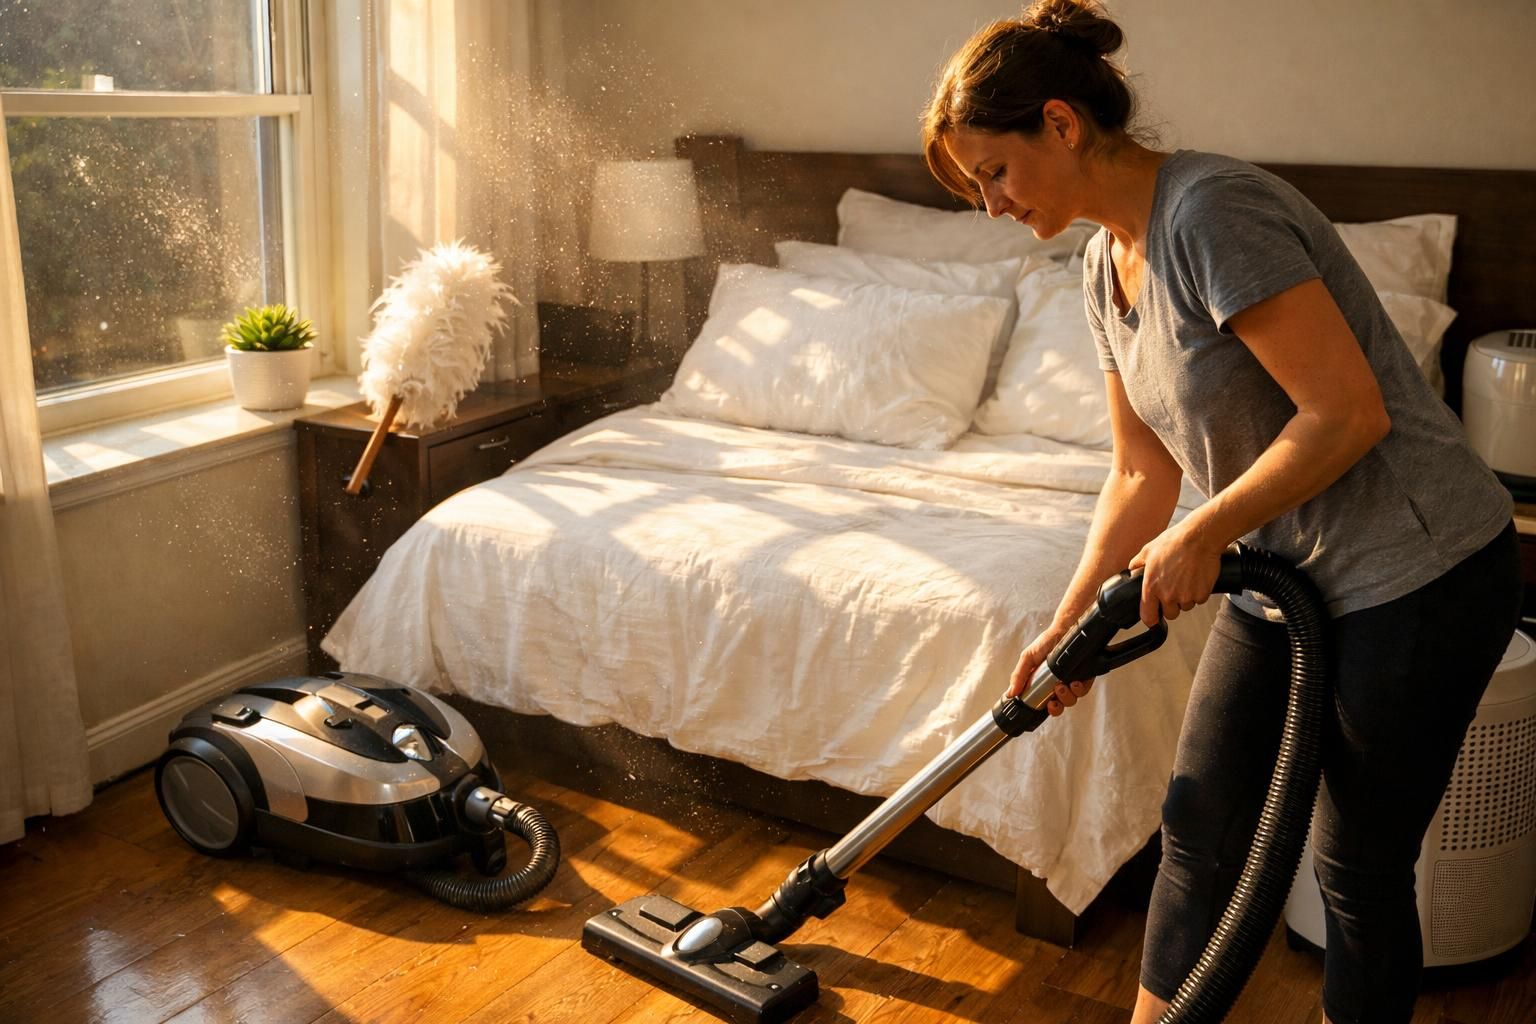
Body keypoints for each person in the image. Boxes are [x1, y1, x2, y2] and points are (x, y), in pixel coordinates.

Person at [921, 2, 1522, 1022]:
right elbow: (1139, 476)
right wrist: (1071, 621)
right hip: (1283, 569)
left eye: (994, 173)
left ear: (1060, 124)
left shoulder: (1212, 213)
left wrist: (1202, 531)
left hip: (1419, 569)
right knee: (1198, 821)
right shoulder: (1100, 261)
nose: (990, 205)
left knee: (1357, 866)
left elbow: (1347, 412)